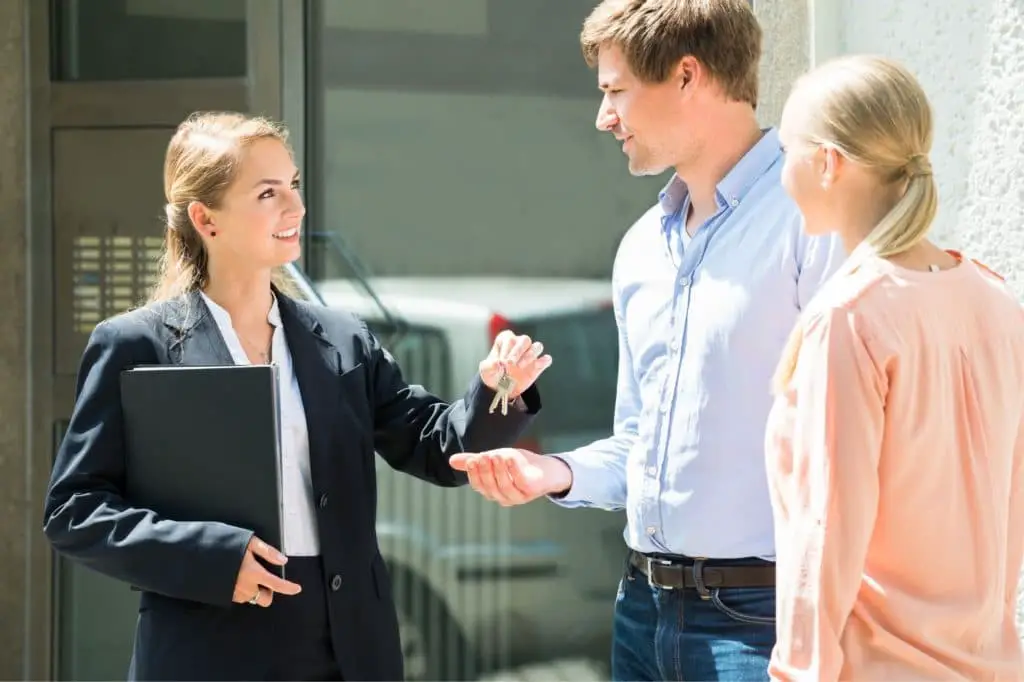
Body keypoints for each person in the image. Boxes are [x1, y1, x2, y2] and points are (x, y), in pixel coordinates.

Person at [42, 111, 551, 682]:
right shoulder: (136, 344)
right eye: (268, 193)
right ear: (206, 218)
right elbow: (75, 510)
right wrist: (210, 555)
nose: (296, 208)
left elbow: (438, 446)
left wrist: (499, 386)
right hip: (208, 648)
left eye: (294, 185)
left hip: (348, 648)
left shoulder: (341, 338)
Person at [449, 1, 845, 679]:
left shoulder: (811, 219)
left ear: (687, 76)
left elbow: (852, 441)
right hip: (641, 612)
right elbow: (639, 442)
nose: (605, 118)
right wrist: (557, 473)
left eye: (615, 90)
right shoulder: (640, 249)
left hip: (766, 621)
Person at [764, 54, 1024, 681]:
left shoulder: (850, 318)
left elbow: (826, 526)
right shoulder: (998, 302)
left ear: (827, 163)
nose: (781, 172)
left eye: (785, 151)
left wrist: (798, 673)